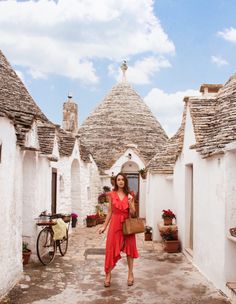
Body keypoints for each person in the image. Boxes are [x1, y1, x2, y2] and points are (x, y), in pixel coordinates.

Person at [98, 172, 139, 287]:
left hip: (127, 225)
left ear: (125, 181)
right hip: (115, 225)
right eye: (118, 179)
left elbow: (133, 213)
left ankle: (130, 274)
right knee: (111, 249)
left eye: (122, 179)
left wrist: (131, 203)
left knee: (130, 250)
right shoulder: (111, 194)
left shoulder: (130, 194)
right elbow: (110, 212)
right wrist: (104, 226)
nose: (120, 181)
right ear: (116, 182)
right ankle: (108, 274)